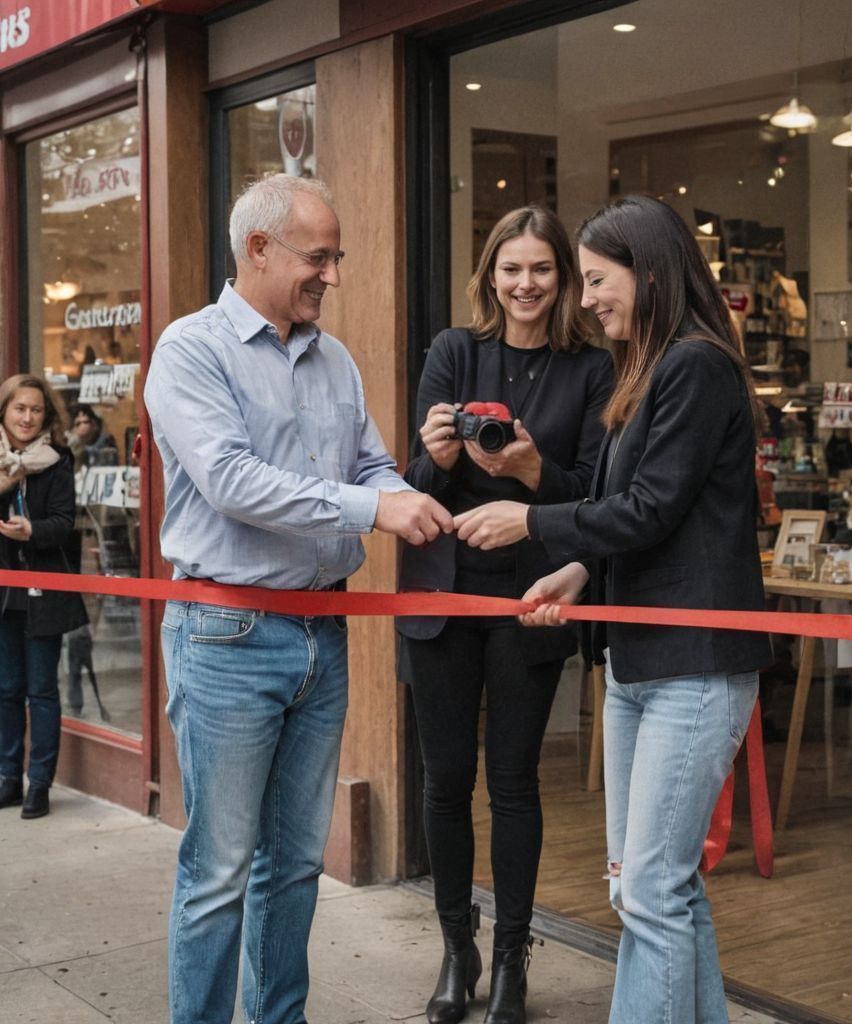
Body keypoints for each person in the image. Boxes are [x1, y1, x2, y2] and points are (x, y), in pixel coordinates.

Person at [454, 195, 772, 1024]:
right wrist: (581, 571)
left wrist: (530, 521)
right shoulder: (653, 368)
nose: (586, 298)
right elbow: (625, 507)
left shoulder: (694, 366)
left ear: (650, 271)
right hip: (642, 661)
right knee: (655, 888)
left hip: (692, 663)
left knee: (651, 894)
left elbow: (649, 510)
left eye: (597, 280)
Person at [144, 174, 452, 1024]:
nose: (333, 276)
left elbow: (367, 467)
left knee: (293, 865)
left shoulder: (336, 357)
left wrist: (410, 497)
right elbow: (234, 481)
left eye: (337, 258)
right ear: (258, 250)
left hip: (322, 633)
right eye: (319, 258)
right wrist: (373, 507)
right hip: (227, 636)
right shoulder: (189, 351)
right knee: (219, 868)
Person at [398, 205, 613, 1024]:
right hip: (442, 594)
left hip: (530, 597)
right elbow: (417, 481)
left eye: (543, 270)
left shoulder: (591, 369)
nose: (526, 284)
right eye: (511, 268)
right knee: (445, 780)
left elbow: (594, 497)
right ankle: (458, 947)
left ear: (563, 278)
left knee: (516, 783)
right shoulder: (456, 351)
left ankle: (514, 959)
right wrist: (441, 456)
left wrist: (529, 468)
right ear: (490, 273)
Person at [0, 374, 88, 820]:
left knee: (41, 691)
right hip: (4, 595)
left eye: (35, 409)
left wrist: (32, 530)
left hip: (43, 591)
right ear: (5, 411)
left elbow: (64, 522)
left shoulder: (57, 460)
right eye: (20, 408)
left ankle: (40, 785)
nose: (27, 417)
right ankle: (8, 778)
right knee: (6, 690)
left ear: (45, 415)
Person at [68, 402, 119, 470]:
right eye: (78, 424)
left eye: (85, 422)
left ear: (94, 424)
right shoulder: (74, 446)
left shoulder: (106, 441)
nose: (82, 427)